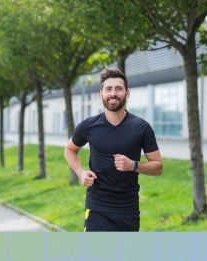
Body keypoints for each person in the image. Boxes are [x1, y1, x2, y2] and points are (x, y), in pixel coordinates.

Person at [64, 67, 162, 232]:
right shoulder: (89, 126)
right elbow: (69, 149)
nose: (113, 93)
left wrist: (134, 165)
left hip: (127, 208)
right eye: (108, 89)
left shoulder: (141, 127)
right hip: (97, 206)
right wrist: (80, 173)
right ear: (101, 93)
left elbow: (158, 167)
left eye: (118, 88)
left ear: (127, 93)